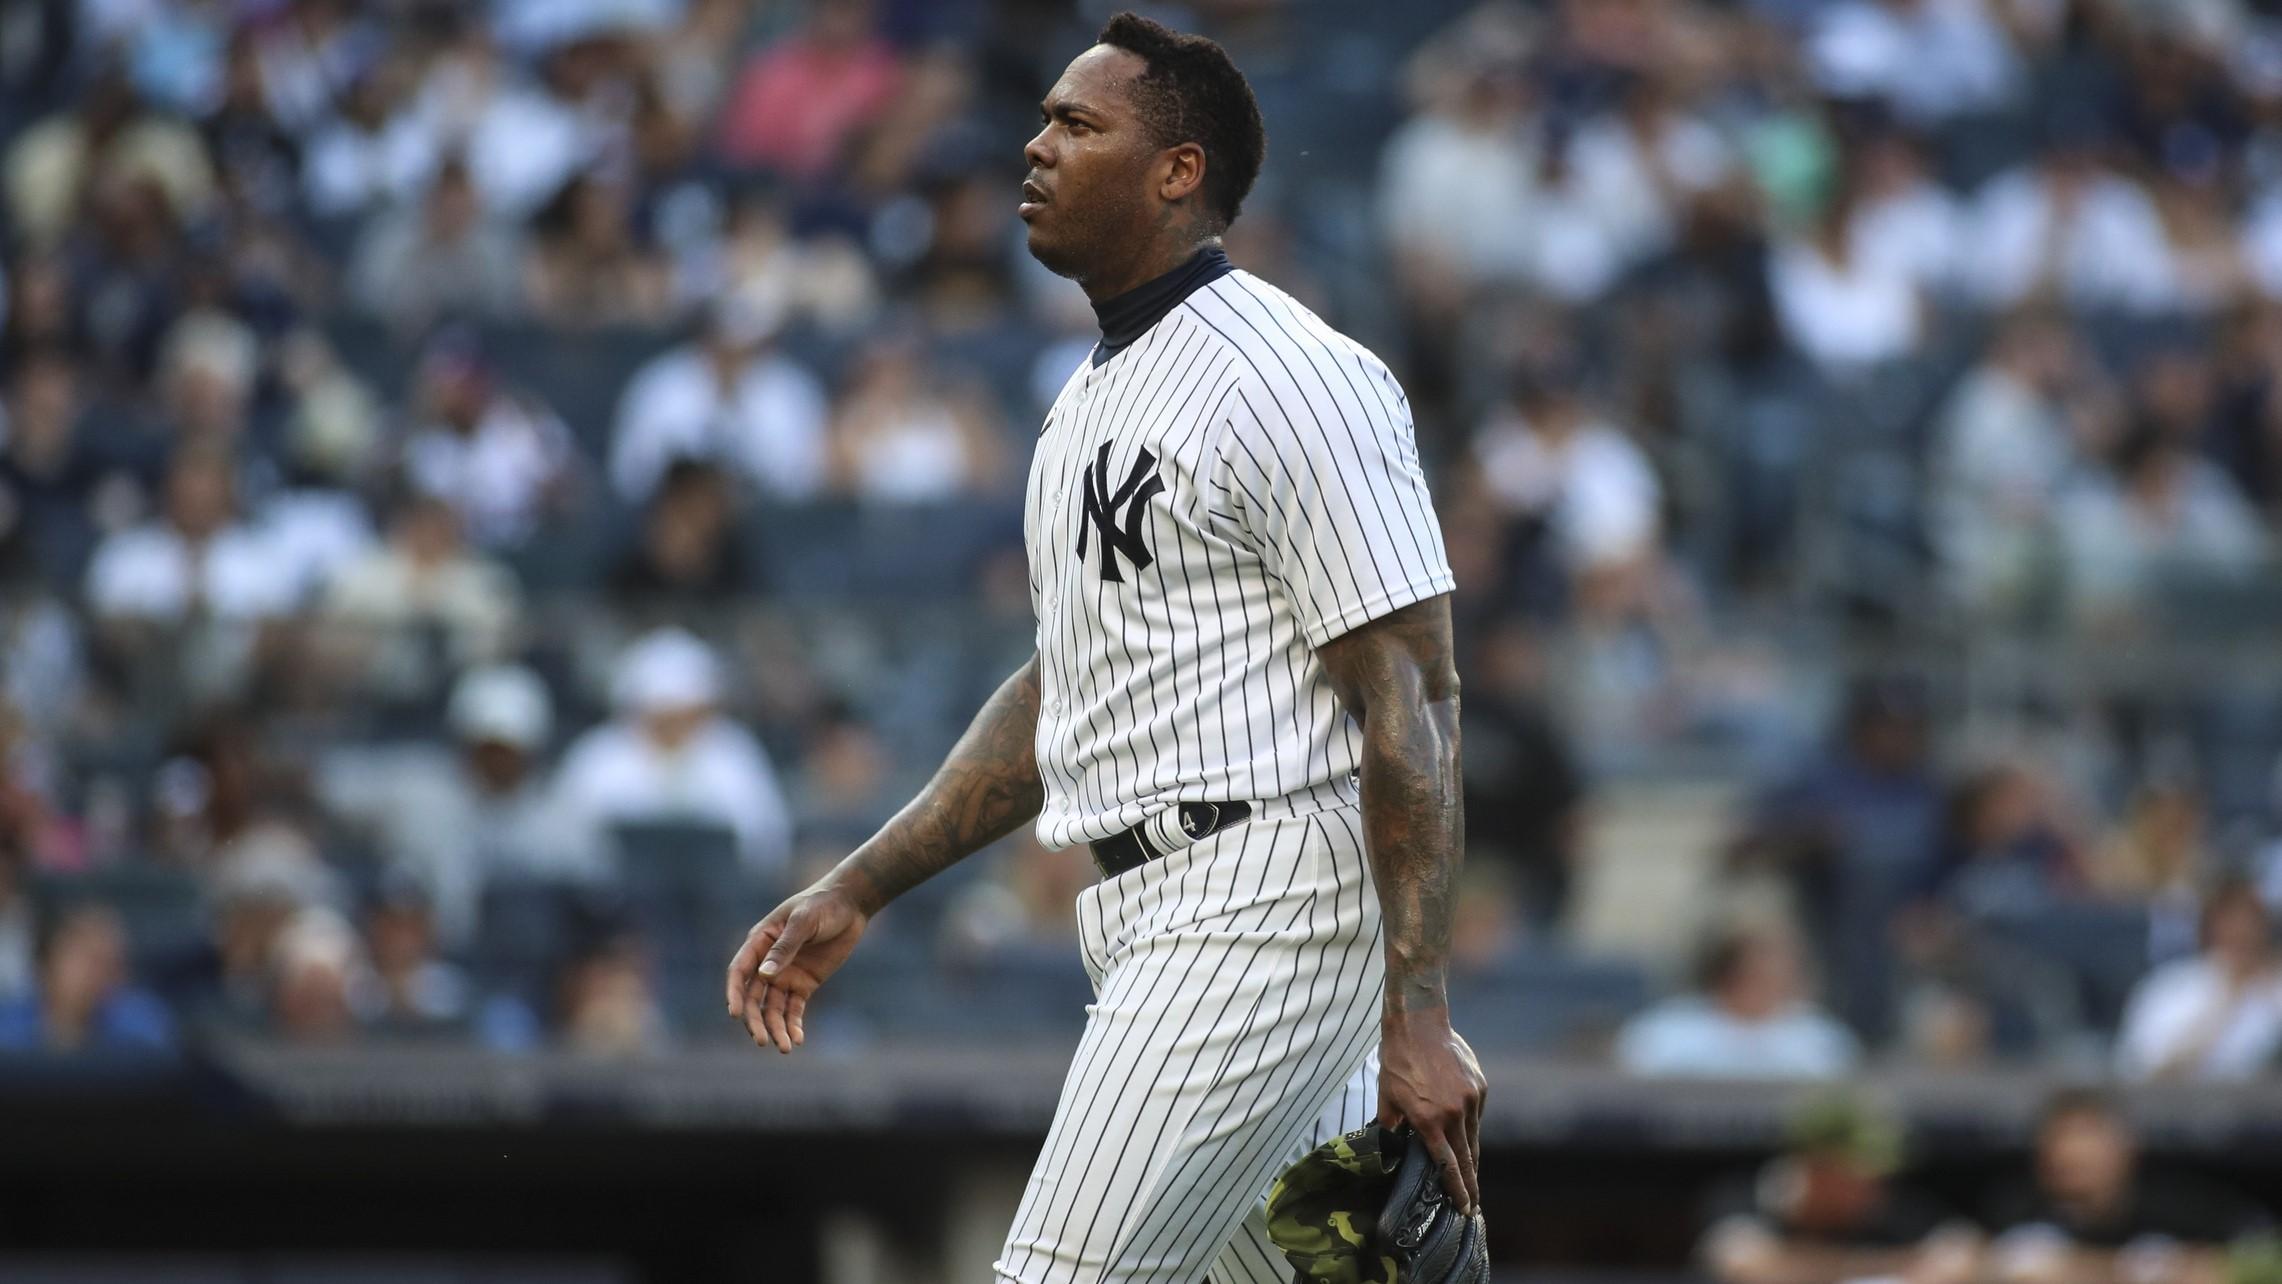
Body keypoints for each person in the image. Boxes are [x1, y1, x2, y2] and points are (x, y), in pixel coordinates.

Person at [726, 14, 1486, 1283]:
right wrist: (859, 883)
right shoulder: (1089, 391)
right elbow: (1065, 691)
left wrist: (1419, 1009)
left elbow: (1413, 692)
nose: (1033, 146)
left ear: (1177, 170)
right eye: (1041, 121)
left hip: (1258, 903)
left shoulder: (1293, 375)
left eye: (1076, 125)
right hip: (1155, 904)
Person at [555, 628, 792, 878]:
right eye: (664, 716)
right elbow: (568, 843)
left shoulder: (733, 753)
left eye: (688, 713)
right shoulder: (598, 757)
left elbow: (767, 839)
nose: (676, 726)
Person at [1984, 1089, 2272, 1282]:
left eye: (2088, 1141)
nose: (2071, 1156)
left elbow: (2257, 1257)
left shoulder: (2182, 1207)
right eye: (2060, 1144)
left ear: (2125, 1148)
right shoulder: (2015, 1210)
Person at [1698, 1096, 1978, 1284]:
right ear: (1813, 1164)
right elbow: (1749, 1269)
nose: (1870, 1188)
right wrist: (1885, 1266)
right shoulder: (1745, 1195)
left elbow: (1964, 1257)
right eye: (1853, 1173)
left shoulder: (1887, 1203)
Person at [1616, 921, 1862, 1079]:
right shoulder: (1667, 1031)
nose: (1768, 986)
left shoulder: (1820, 1037)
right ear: (1726, 976)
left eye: (1781, 976)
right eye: (1755, 976)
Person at [2115, 879, 2282, 1081]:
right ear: (2210, 926)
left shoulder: (2276, 988)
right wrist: (2226, 1001)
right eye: (2230, 920)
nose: (2243, 931)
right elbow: (2143, 1070)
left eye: (2252, 920)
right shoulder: (2171, 987)